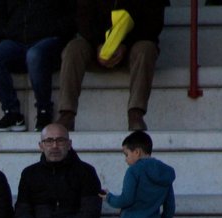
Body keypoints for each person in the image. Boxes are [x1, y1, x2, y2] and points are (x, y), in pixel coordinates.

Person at [56, 1, 168, 132]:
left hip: (132, 48)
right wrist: (99, 45)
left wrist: (124, 45)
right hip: (95, 47)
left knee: (146, 49)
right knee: (73, 49)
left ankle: (136, 114)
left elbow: (153, 24)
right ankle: (67, 114)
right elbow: (82, 19)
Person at [0, 0, 75, 132]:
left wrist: (56, 31)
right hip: (15, 42)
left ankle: (44, 111)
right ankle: (12, 113)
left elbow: (70, 14)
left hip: (48, 41)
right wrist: (5, 34)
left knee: (34, 55)